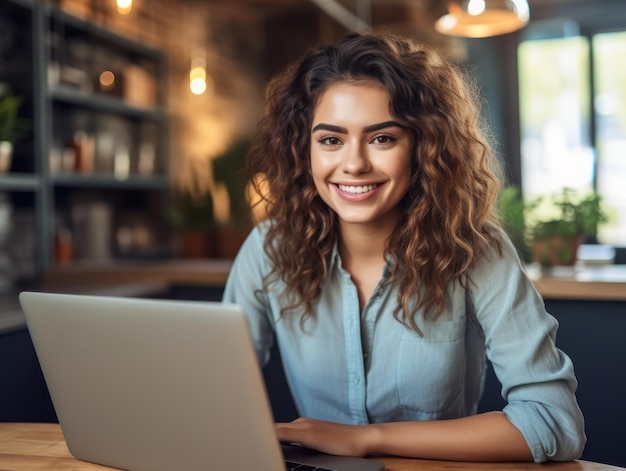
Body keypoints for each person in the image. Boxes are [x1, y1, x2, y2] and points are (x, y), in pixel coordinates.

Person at [222, 32, 585, 463]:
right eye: (331, 139)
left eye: (382, 139)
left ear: (423, 146)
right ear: (305, 149)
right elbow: (212, 386)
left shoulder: (476, 250)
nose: (353, 163)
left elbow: (553, 421)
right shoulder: (269, 248)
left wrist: (366, 439)